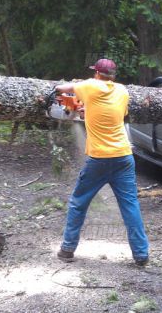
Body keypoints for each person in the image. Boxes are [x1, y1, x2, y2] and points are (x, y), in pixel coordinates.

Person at [55, 58, 149, 266]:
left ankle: (67, 249)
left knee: (78, 202)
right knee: (130, 205)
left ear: (97, 73)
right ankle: (141, 255)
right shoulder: (122, 91)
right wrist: (86, 110)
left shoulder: (89, 85)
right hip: (124, 156)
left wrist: (60, 88)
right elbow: (113, 114)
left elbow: (62, 88)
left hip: (100, 159)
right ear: (113, 76)